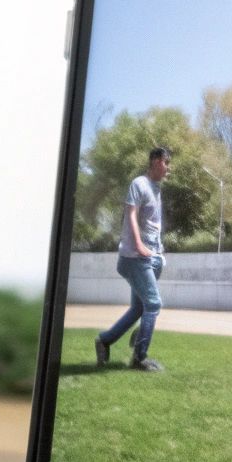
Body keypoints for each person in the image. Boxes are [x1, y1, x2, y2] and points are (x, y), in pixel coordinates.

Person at [95, 147, 170, 371]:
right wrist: (138, 244)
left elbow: (152, 224)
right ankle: (139, 358)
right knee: (153, 304)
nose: (169, 167)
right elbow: (131, 215)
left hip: (151, 257)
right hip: (135, 257)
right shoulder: (139, 184)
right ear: (156, 161)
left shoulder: (156, 189)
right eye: (167, 162)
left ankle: (104, 341)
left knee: (139, 308)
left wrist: (158, 252)